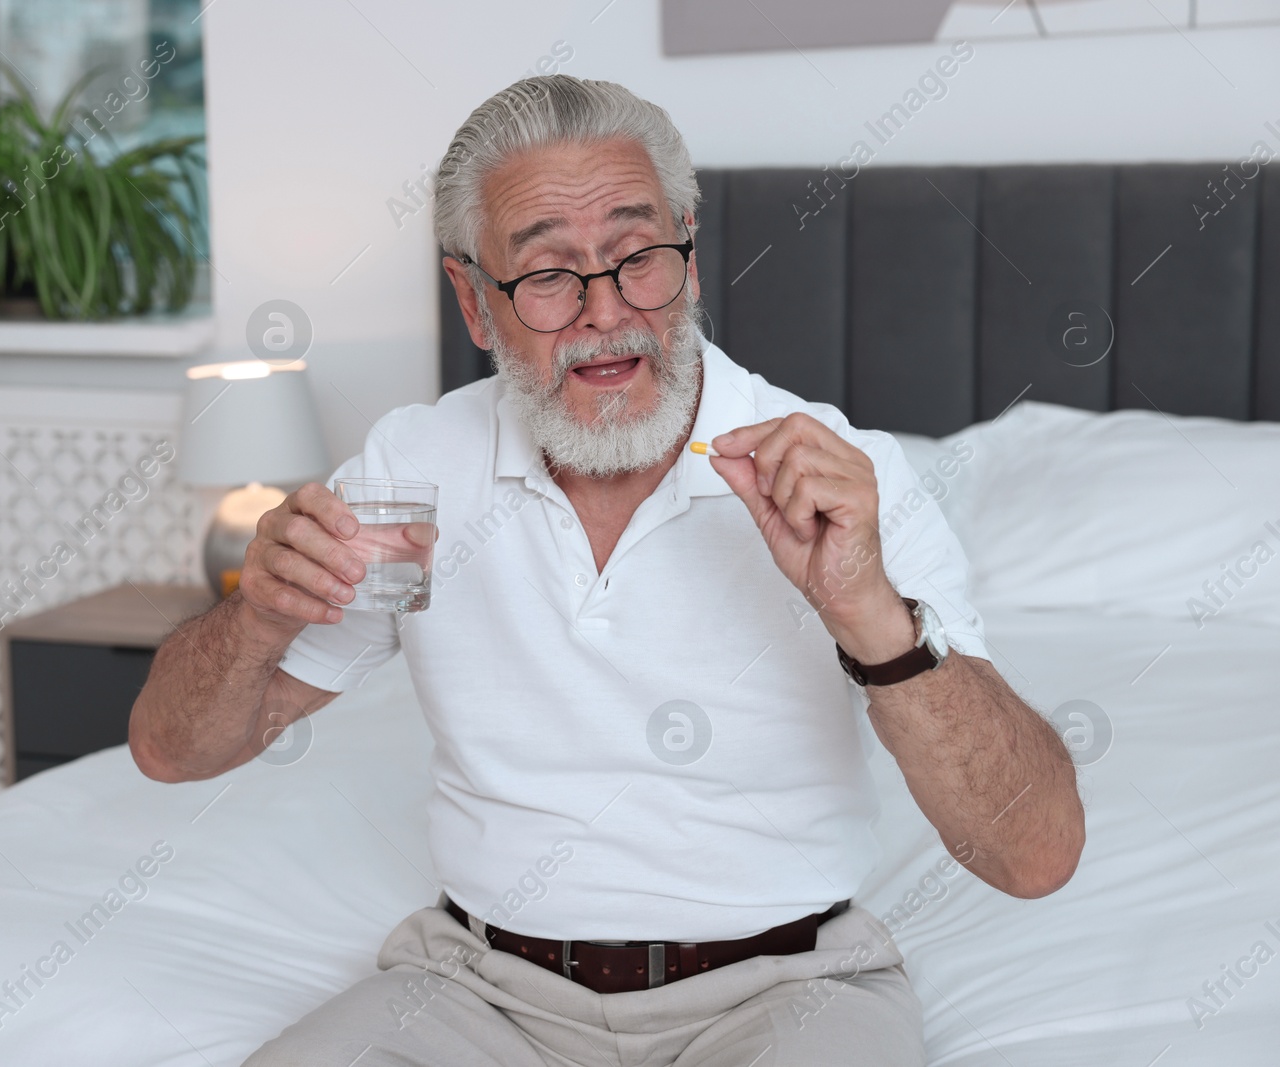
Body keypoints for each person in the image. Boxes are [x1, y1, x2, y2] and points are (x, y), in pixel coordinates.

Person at [128, 73, 1085, 1067]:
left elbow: (1035, 853)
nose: (605, 311)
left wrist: (869, 612)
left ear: (690, 256)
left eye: (637, 256)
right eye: (546, 273)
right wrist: (257, 617)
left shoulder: (849, 477)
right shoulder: (415, 469)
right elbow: (171, 751)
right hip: (476, 989)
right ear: (473, 299)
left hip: (790, 988)